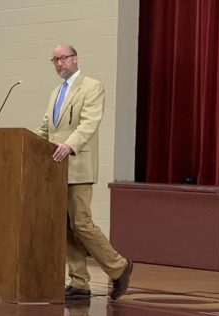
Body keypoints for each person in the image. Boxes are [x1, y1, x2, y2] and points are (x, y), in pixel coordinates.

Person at [35, 44, 133, 300]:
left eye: (63, 58)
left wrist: (70, 145)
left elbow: (90, 122)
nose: (59, 64)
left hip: (78, 165)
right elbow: (46, 128)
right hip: (57, 169)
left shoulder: (92, 86)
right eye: (54, 60)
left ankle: (119, 266)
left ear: (75, 59)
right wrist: (27, 144)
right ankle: (79, 282)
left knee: (81, 223)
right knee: (66, 226)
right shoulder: (56, 92)